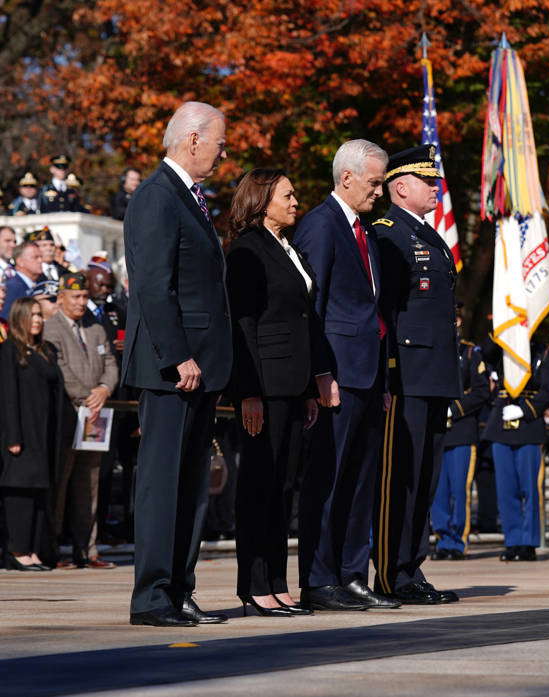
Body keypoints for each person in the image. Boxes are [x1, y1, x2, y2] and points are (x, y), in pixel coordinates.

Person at [122, 101, 232, 627]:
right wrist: (177, 355)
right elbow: (152, 285)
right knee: (163, 485)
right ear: (193, 140)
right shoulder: (157, 196)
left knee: (192, 487)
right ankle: (151, 597)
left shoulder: (190, 197)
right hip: (174, 369)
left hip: (201, 365)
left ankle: (179, 589)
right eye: (219, 142)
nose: (223, 151)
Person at [294, 139, 392, 612]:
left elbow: (374, 310)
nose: (380, 191)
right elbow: (312, 305)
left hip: (369, 376)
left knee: (360, 483)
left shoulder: (366, 232)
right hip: (337, 375)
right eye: (374, 182)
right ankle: (319, 578)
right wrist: (320, 372)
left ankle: (353, 575)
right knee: (328, 483)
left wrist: (386, 382)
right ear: (347, 177)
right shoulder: (320, 224)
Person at [226, 168, 319, 617]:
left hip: (293, 384)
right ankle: (255, 583)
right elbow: (242, 325)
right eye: (288, 194)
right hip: (264, 385)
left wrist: (309, 388)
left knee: (283, 486)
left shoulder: (290, 248)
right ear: (263, 200)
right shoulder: (247, 249)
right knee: (260, 485)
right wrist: (248, 393)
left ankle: (279, 583)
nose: (296, 200)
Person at [371, 145, 463, 604]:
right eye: (429, 182)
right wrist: (386, 373)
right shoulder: (387, 233)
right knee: (400, 478)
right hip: (405, 374)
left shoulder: (429, 237)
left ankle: (410, 568)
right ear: (401, 186)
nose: (436, 188)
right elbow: (384, 311)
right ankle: (390, 573)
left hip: (434, 374)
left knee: (424, 478)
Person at [43, 273, 118, 569]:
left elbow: (111, 363)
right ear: (61, 297)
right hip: (69, 414)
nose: (81, 302)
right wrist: (89, 397)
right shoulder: (52, 328)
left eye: (84, 297)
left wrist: (104, 390)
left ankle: (88, 550)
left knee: (90, 484)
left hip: (95, 416)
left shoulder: (96, 328)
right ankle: (54, 548)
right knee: (62, 483)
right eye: (75, 297)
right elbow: (59, 368)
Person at [481, 338, 549, 562]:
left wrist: (525, 409)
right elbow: (487, 353)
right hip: (501, 425)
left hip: (529, 427)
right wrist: (502, 329)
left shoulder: (544, 351)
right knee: (506, 490)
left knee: (529, 489)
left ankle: (529, 542)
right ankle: (512, 540)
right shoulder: (503, 345)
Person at [0, 298, 63, 571]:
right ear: (19, 318)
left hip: (44, 431)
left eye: (40, 315)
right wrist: (13, 436)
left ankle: (33, 550)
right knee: (20, 490)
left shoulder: (45, 350)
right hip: (20, 433)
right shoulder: (9, 350)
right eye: (32, 315)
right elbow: (7, 396)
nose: (37, 319)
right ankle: (17, 549)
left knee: (39, 491)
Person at [431, 335, 489, 561]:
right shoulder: (434, 346)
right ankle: (442, 538)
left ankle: (457, 540)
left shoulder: (470, 352)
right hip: (437, 429)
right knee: (438, 490)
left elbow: (481, 391)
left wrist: (454, 409)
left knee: (459, 489)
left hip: (461, 430)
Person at [2, 242, 43, 320]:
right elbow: (5, 319)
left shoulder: (37, 284)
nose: (40, 261)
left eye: (41, 257)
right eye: (35, 257)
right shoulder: (13, 287)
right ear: (20, 262)